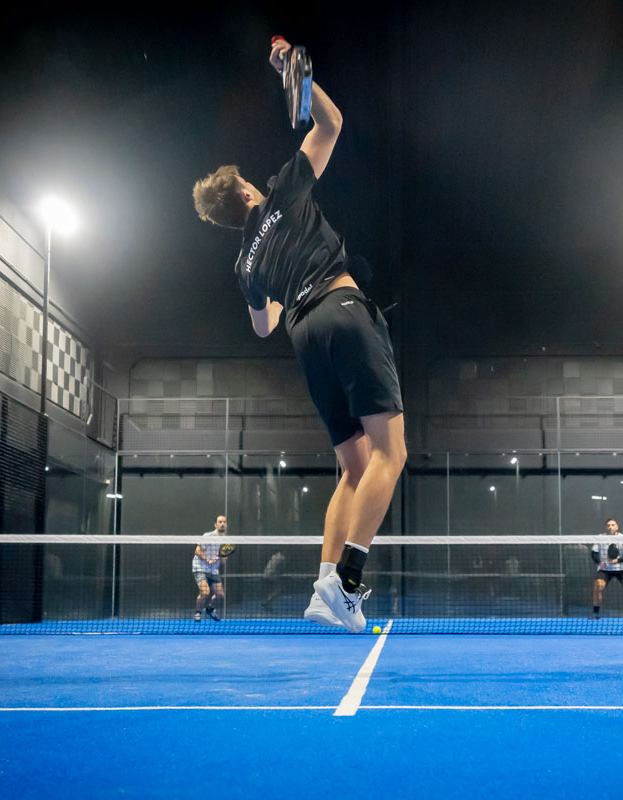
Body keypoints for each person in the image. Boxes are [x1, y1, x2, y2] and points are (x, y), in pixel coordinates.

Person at [192, 38, 406, 633]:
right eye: (250, 184)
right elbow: (331, 125)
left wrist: (269, 278)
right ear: (245, 194)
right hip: (342, 307)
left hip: (304, 337)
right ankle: (348, 583)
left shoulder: (244, 266)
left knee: (352, 468)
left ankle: (323, 585)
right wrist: (295, 75)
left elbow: (263, 325)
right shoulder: (281, 193)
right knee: (390, 452)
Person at [589, 518, 623, 620]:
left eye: (613, 525)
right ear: (606, 527)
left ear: (617, 527)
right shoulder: (600, 537)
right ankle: (595, 613)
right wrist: (599, 562)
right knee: (598, 586)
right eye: (608, 525)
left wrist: (617, 560)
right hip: (605, 569)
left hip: (621, 569)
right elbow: (594, 553)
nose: (610, 527)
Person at [192, 515, 231, 621]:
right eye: (220, 522)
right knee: (205, 592)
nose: (222, 524)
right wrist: (208, 560)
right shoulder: (208, 536)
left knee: (220, 595)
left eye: (224, 522)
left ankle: (210, 609)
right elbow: (197, 551)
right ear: (215, 524)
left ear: (226, 525)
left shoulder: (227, 541)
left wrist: (222, 556)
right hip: (200, 567)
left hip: (213, 569)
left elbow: (223, 562)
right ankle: (198, 612)